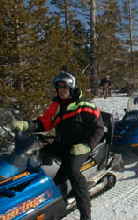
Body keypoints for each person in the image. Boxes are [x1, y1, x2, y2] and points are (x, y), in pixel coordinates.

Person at [11, 71, 104, 220]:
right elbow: (44, 122)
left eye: (64, 88)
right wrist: (26, 125)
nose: (61, 91)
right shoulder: (56, 105)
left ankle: (85, 215)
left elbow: (99, 128)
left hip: (80, 147)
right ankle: (34, 196)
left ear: (71, 88)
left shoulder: (85, 105)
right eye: (59, 88)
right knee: (34, 157)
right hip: (61, 143)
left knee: (73, 172)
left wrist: (87, 145)